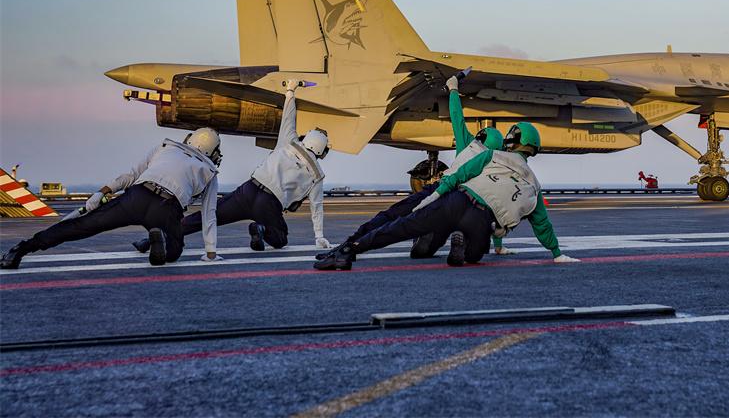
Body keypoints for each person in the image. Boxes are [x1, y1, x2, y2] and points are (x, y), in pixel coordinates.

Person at [313, 120, 579, 270]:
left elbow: (459, 175)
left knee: (400, 227)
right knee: (477, 253)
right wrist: (557, 253)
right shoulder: (534, 186)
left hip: (455, 199)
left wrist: (435, 195)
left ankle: (346, 251)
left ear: (510, 141)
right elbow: (542, 225)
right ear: (533, 149)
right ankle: (461, 246)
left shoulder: (492, 156)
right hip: (481, 220)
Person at [315, 72, 505, 263]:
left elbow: (457, 116)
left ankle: (345, 248)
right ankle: (446, 239)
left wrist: (453, 89)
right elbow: (497, 210)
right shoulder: (495, 167)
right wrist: (498, 244)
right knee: (436, 242)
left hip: (439, 190)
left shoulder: (468, 144)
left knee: (391, 217)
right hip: (461, 203)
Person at [135, 79, 331, 255]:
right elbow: (316, 207)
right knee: (280, 239)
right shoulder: (317, 174)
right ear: (321, 151)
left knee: (204, 217)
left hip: (248, 190)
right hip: (269, 204)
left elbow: (288, 117)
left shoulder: (289, 142)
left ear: (307, 139)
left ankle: (151, 239)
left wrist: (290, 91)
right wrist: (319, 236)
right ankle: (260, 229)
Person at [1, 128, 223, 269]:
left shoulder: (165, 148)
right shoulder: (209, 171)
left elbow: (130, 176)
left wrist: (102, 192)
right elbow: (209, 214)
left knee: (81, 226)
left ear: (189, 139)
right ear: (212, 151)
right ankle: (160, 238)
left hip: (137, 196)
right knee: (174, 251)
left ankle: (19, 251)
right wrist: (211, 253)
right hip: (167, 207)